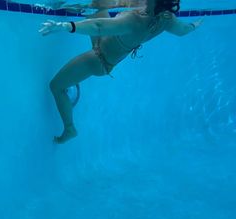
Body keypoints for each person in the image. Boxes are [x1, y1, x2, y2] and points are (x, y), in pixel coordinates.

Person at [39, 0, 203, 144]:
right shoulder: (166, 18)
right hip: (105, 49)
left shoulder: (136, 20)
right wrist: (195, 25)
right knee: (97, 5)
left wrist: (65, 26)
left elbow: (99, 26)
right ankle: (60, 5)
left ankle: (69, 129)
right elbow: (182, 30)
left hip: (97, 59)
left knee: (56, 86)